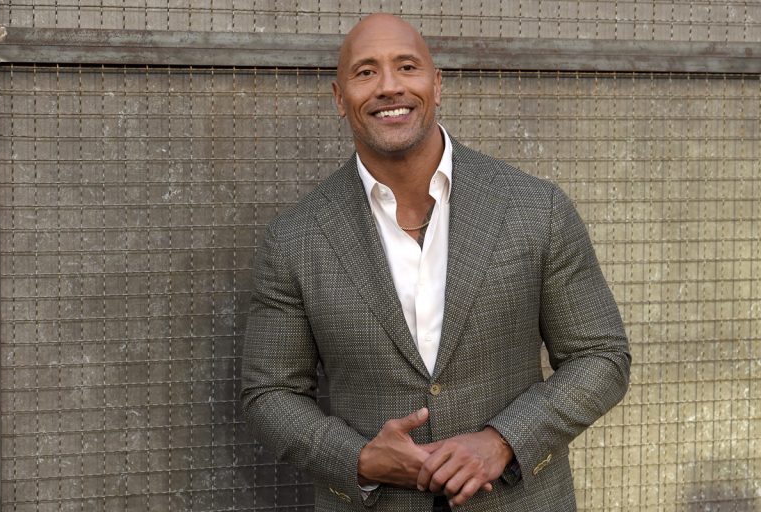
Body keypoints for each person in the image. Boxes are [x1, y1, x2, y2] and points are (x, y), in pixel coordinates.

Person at [241, 12, 630, 512]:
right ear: (340, 98)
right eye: (365, 72)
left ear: (437, 85)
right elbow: (269, 393)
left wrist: (503, 441)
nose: (389, 86)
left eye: (407, 67)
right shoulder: (294, 239)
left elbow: (601, 355)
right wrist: (359, 459)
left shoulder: (537, 209)